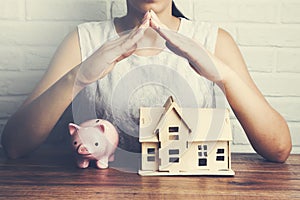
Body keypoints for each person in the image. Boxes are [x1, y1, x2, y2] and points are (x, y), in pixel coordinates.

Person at [1, 0, 291, 163]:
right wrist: (79, 77)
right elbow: (14, 145)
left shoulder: (213, 39)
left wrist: (223, 74)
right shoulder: (85, 39)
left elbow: (278, 148)